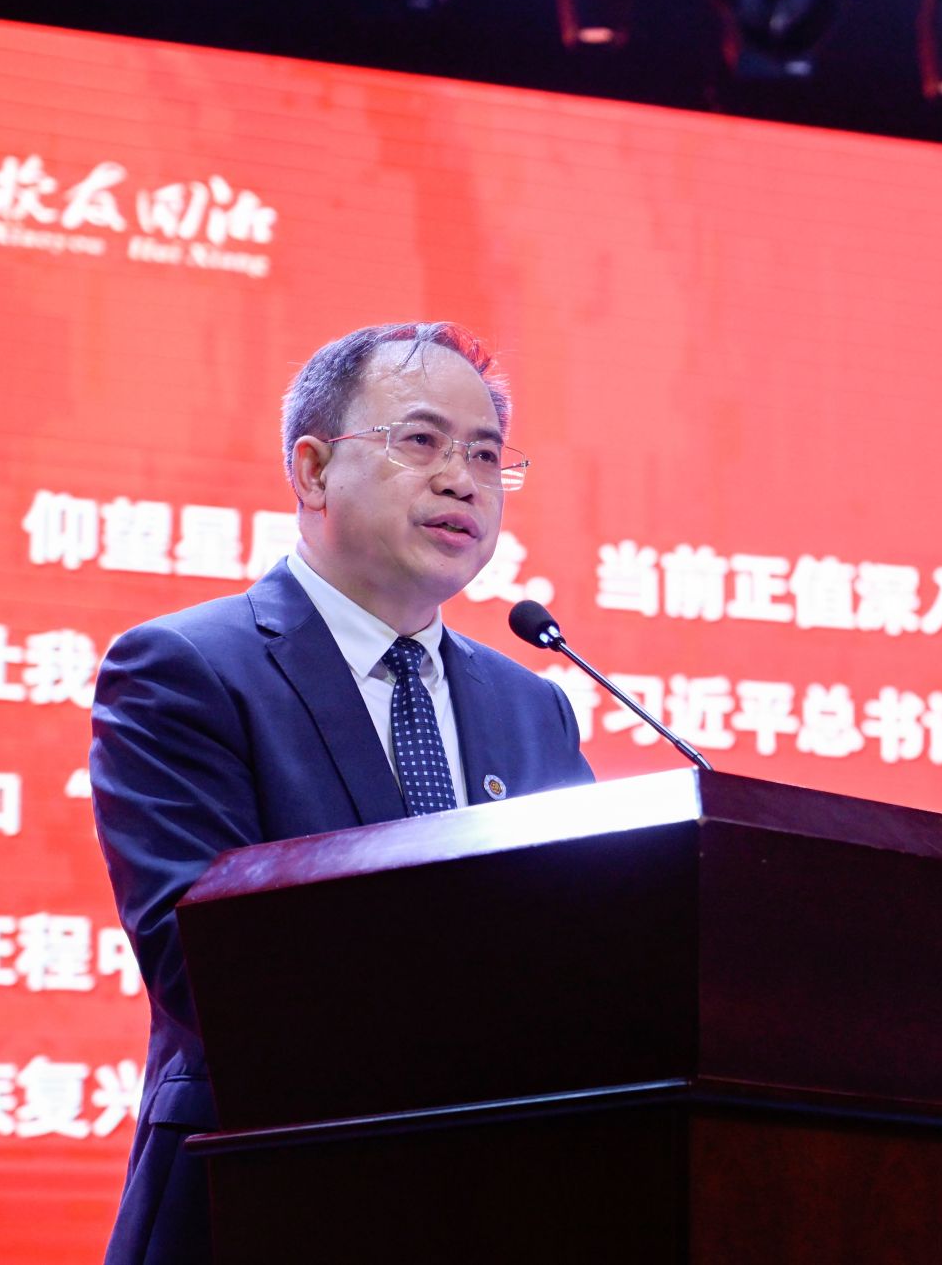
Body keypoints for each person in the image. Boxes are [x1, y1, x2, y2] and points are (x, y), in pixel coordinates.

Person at [89, 322, 594, 1265]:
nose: (462, 480)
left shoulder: (533, 707)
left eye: (486, 455)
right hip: (264, 1199)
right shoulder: (187, 670)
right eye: (422, 441)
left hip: (503, 1200)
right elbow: (206, 966)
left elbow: (605, 953)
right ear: (313, 470)